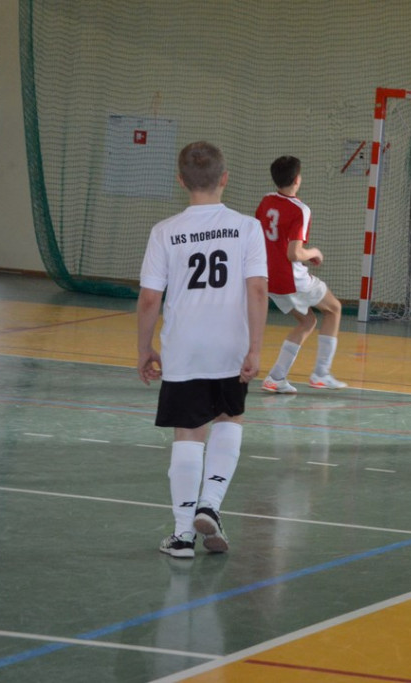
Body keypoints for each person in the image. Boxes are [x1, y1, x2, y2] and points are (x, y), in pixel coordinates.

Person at [137, 141, 269, 559]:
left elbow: (149, 299)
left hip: (184, 346)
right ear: (224, 178)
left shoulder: (165, 231)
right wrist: (255, 348)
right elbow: (258, 290)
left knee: (188, 433)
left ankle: (182, 536)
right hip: (230, 344)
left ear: (181, 181)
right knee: (229, 419)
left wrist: (144, 348)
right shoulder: (247, 227)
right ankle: (210, 504)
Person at [256, 155, 347, 393]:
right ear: (297, 179)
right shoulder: (300, 210)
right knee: (334, 309)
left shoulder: (266, 201)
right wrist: (314, 252)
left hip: (270, 278)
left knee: (308, 321)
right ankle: (321, 374)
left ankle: (276, 377)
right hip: (292, 279)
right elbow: (294, 253)